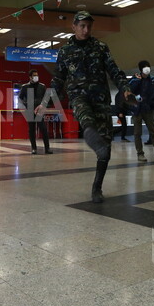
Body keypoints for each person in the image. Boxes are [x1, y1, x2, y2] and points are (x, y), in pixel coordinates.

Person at [36, 11, 134, 203]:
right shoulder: (65, 51)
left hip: (101, 99)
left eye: (89, 26)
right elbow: (58, 80)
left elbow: (114, 71)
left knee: (105, 150)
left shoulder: (100, 47)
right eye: (82, 26)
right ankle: (89, 133)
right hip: (78, 96)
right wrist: (45, 102)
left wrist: (126, 89)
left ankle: (97, 187)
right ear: (73, 26)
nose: (86, 29)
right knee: (86, 119)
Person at [19, 69, 52, 155]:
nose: (36, 77)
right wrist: (26, 105)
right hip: (30, 111)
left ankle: (47, 148)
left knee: (43, 129)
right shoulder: (25, 87)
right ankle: (34, 148)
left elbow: (46, 98)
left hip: (39, 111)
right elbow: (20, 99)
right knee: (31, 130)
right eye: (34, 75)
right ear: (30, 77)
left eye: (37, 75)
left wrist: (44, 106)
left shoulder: (42, 86)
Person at [114, 72, 132, 142]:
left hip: (121, 111)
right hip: (120, 111)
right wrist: (120, 112)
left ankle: (115, 134)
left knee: (123, 125)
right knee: (124, 125)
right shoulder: (121, 94)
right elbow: (120, 103)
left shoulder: (120, 93)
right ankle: (122, 137)